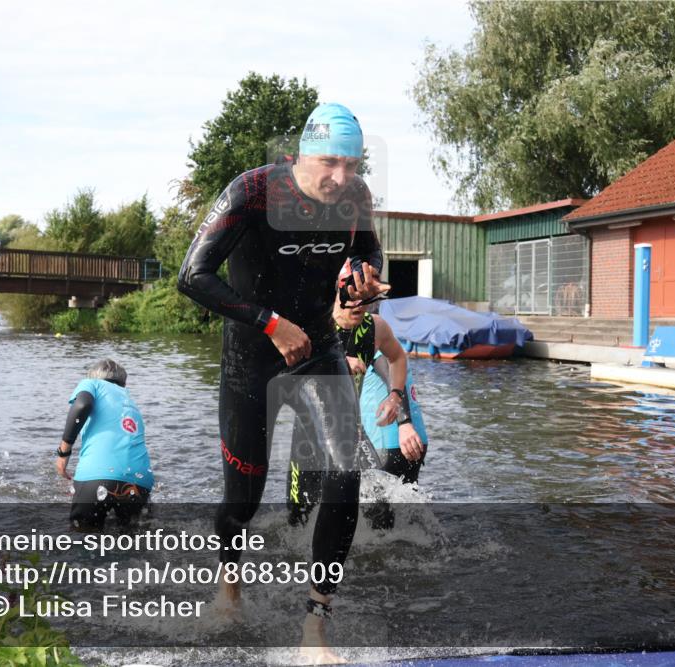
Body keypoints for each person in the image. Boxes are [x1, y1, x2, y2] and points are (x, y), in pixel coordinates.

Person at [177, 102, 387, 662]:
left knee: (347, 473)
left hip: (318, 347)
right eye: (328, 163)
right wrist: (269, 322)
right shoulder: (253, 193)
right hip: (253, 355)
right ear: (298, 155)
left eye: (351, 164)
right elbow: (191, 276)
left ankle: (314, 627)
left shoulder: (356, 197)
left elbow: (368, 251)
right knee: (243, 499)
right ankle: (229, 588)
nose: (339, 178)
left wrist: (362, 288)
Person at [288, 276, 429, 531]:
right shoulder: (311, 329)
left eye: (363, 299)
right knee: (299, 518)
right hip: (310, 437)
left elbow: (397, 357)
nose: (357, 306)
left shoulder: (375, 327)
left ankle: (377, 561)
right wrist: (337, 365)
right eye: (349, 299)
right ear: (332, 298)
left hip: (350, 431)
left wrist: (395, 397)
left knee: (379, 505)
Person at [55, 359, 154, 531]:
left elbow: (83, 404)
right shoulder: (130, 402)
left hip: (97, 477)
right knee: (133, 544)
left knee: (83, 541)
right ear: (124, 383)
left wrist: (64, 452)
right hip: (140, 482)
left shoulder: (92, 384)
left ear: (93, 376)